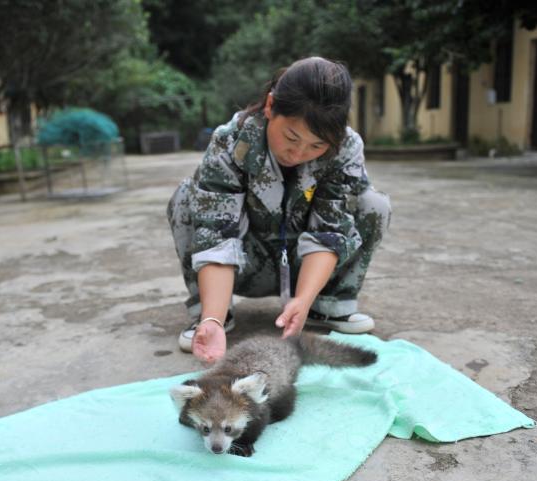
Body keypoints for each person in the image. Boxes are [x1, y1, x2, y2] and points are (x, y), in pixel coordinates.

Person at [167, 56, 391, 364]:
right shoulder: (231, 142)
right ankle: (213, 314)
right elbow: (216, 233)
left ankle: (325, 305)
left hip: (305, 266)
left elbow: (331, 230)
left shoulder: (347, 148)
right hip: (245, 266)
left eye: (316, 146)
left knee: (373, 204)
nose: (299, 153)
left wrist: (304, 298)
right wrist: (213, 320)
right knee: (184, 198)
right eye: (291, 137)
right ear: (271, 106)